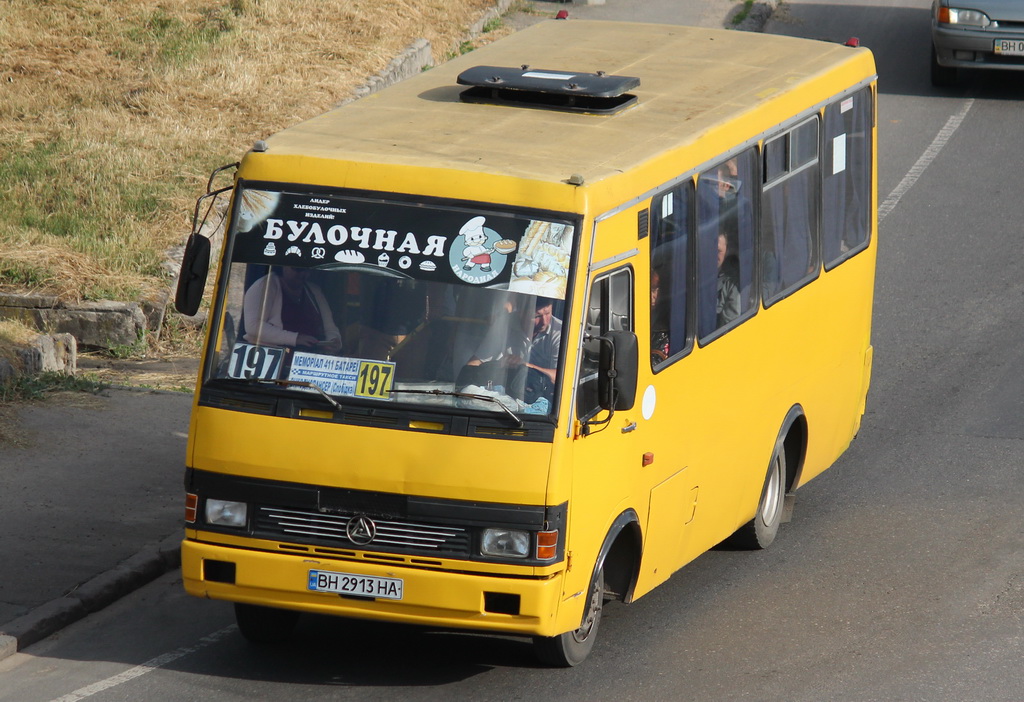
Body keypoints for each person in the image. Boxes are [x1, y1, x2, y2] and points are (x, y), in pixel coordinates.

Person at [458, 296, 561, 403]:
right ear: (520, 313)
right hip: (506, 396)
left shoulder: (560, 332)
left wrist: (524, 365)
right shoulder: (505, 323)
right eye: (537, 316)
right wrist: (464, 387)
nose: (544, 322)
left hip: (544, 401)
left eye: (548, 313)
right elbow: (476, 362)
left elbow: (559, 377)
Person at [243, 266, 342, 352]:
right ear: (284, 267)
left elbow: (329, 327)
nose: (303, 274)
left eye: (307, 271)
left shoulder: (314, 291)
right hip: (270, 358)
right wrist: (295, 338)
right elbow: (253, 326)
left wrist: (333, 340)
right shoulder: (264, 286)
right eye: (297, 269)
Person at [716, 232, 740, 328]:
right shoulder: (696, 273)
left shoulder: (732, 283)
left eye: (718, 251)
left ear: (727, 251)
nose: (713, 254)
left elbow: (731, 321)